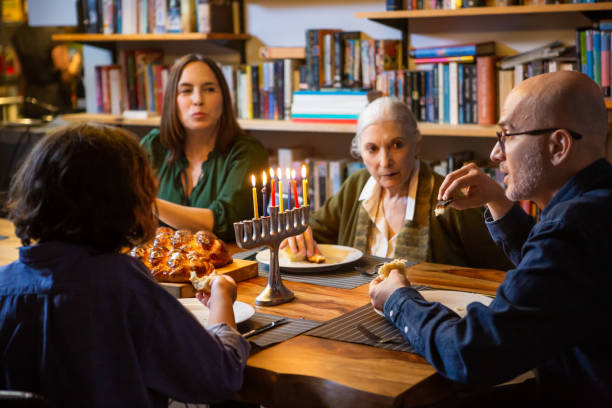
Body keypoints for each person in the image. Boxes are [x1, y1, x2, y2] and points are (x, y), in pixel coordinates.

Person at [369, 71, 612, 407]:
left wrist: (398, 299)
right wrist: (499, 200)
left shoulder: (573, 228)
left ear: (557, 145)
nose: (495, 153)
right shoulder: (594, 207)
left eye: (507, 135)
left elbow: (470, 354)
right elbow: (554, 276)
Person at [0, 123, 250, 407]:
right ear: (129, 200)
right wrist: (222, 295)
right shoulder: (124, 287)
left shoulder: (3, 288)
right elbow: (218, 375)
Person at [282, 96, 512, 270]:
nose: (385, 161)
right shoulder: (356, 185)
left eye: (397, 145)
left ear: (416, 144)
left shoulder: (450, 198)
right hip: (354, 314)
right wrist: (297, 233)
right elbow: (312, 230)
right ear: (360, 152)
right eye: (372, 149)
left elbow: (502, 268)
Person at [140, 54, 268, 241]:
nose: (198, 100)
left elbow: (225, 222)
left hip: (228, 265)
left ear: (224, 98)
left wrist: (147, 202)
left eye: (209, 89)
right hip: (158, 265)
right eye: (186, 90)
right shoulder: (153, 146)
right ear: (171, 101)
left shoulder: (248, 152)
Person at [11, 24, 82, 118]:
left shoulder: (19, 33)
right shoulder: (55, 33)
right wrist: (75, 63)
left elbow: (17, 70)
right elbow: (65, 73)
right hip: (55, 100)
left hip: (30, 99)